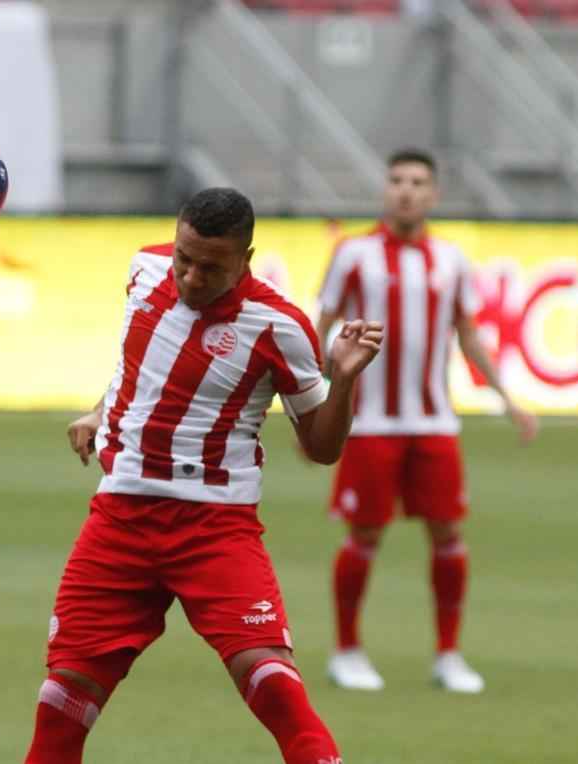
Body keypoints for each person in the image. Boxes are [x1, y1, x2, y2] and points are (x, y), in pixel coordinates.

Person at [23, 187, 383, 764]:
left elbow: (321, 448)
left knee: (273, 686)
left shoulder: (279, 325)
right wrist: (101, 409)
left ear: (245, 257)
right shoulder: (144, 267)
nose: (190, 277)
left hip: (214, 527)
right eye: (183, 260)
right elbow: (136, 358)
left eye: (210, 268)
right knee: (63, 697)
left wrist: (342, 380)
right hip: (119, 519)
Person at [316, 148, 538, 694]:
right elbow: (320, 327)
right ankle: (347, 651)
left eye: (417, 181)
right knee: (364, 533)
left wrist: (507, 396)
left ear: (433, 194)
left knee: (448, 533)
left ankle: (448, 654)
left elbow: (467, 332)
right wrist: (314, 403)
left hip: (435, 421)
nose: (406, 190)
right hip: (368, 423)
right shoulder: (353, 255)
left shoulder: (452, 259)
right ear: (384, 190)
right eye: (396, 180)